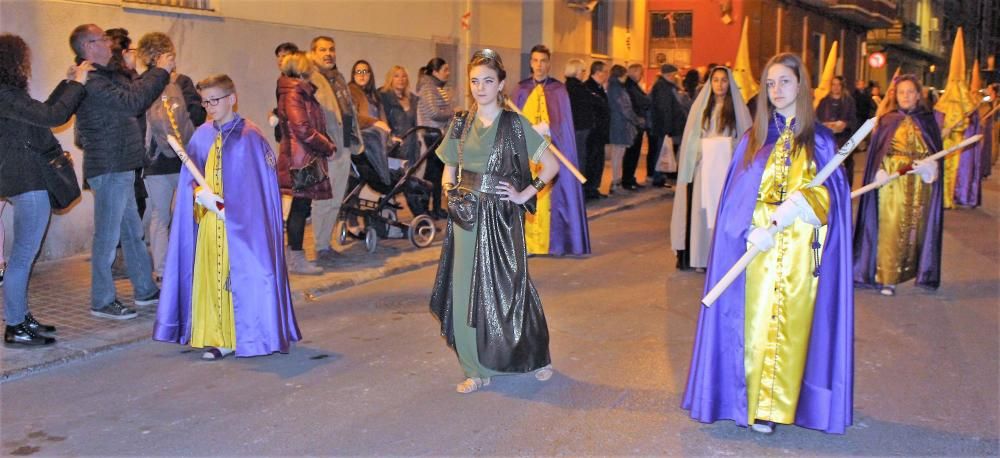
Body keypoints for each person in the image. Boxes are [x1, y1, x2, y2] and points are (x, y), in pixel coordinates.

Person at [683, 53, 854, 435]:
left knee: (792, 331)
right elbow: (735, 200)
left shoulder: (821, 140)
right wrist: (749, 227)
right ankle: (756, 405)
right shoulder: (753, 139)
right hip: (756, 249)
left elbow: (835, 200)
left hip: (799, 254)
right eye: (771, 83)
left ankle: (789, 404)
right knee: (755, 326)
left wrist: (806, 204)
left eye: (785, 82)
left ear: (801, 86)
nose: (777, 90)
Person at [429, 49, 558, 393]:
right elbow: (448, 166)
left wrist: (523, 194)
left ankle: (536, 356)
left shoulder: (515, 125)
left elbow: (551, 167)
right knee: (464, 291)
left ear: (500, 84)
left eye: (488, 80)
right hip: (465, 216)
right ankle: (475, 369)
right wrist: (448, 191)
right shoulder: (460, 122)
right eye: (475, 81)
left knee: (510, 289)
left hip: (500, 219)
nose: (480, 87)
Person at [153, 74, 301, 360]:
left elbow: (258, 194)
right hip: (210, 222)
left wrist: (227, 209)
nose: (210, 107)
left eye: (215, 100)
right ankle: (219, 337)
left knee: (242, 277)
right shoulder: (202, 135)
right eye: (205, 102)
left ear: (232, 98)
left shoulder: (251, 137)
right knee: (212, 277)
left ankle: (250, 334)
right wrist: (200, 196)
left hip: (243, 229)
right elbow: (190, 180)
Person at [70, 23, 172, 320]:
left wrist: (130, 70)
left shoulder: (105, 75)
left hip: (122, 163)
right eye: (102, 39)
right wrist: (160, 70)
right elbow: (133, 102)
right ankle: (102, 300)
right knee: (107, 234)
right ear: (88, 46)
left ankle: (144, 289)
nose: (109, 44)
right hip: (110, 165)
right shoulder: (91, 80)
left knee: (132, 231)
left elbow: (132, 91)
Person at [0, 33, 90, 346]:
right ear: (14, 62)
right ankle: (15, 327)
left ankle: (21, 318)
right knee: (23, 257)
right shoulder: (4, 94)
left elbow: (43, 114)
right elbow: (54, 115)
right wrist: (78, 83)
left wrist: (67, 84)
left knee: (25, 255)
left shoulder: (9, 95)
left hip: (23, 181)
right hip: (27, 182)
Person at [853, 75, 943, 297]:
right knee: (891, 228)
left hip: (919, 184)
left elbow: (936, 152)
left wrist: (929, 167)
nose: (905, 96)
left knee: (915, 230)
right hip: (892, 183)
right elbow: (877, 152)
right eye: (901, 92)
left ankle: (914, 271)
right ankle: (888, 278)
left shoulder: (928, 120)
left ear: (918, 95)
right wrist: (879, 171)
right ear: (895, 95)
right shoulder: (886, 120)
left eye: (910, 92)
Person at [138, 32, 206, 283]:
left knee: (160, 215)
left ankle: (163, 269)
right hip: (182, 158)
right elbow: (197, 116)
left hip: (155, 160)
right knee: (184, 212)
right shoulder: (181, 82)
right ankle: (185, 263)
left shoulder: (141, 83)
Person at [512, 44, 591, 256]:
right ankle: (526, 243)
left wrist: (549, 128)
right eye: (535, 60)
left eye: (543, 61)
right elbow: (512, 122)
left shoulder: (558, 90)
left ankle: (552, 243)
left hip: (551, 152)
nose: (539, 65)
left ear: (549, 63)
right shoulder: (521, 89)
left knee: (547, 195)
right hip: (527, 154)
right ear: (530, 62)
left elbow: (563, 124)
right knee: (526, 192)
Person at [670, 66, 751, 272]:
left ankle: (722, 258)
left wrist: (726, 146)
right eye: (716, 80)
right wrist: (707, 147)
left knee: (722, 213)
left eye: (724, 80)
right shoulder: (702, 109)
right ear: (710, 83)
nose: (720, 84)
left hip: (726, 170)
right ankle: (702, 257)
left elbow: (745, 141)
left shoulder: (737, 111)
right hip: (704, 170)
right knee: (702, 213)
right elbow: (691, 141)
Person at [278, 52, 336, 275]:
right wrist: (327, 145)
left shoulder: (296, 91)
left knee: (300, 207)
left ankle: (294, 255)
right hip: (301, 159)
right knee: (300, 208)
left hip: (301, 156)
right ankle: (296, 258)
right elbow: (302, 128)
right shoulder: (295, 92)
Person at [307, 36, 364, 267]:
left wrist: (352, 141)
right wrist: (323, 144)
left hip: (344, 145)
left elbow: (347, 110)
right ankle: (320, 247)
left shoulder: (338, 78)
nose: (328, 53)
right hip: (327, 148)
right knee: (323, 200)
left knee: (337, 199)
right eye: (322, 50)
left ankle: (326, 245)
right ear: (313, 53)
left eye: (331, 49)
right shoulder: (311, 79)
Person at [417, 57, 456, 219]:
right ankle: (426, 207)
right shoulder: (428, 87)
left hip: (439, 134)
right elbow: (433, 112)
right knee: (433, 173)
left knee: (438, 173)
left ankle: (436, 208)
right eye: (445, 70)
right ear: (435, 72)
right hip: (432, 134)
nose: (448, 73)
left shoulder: (437, 87)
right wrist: (452, 112)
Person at [816, 76, 859, 186]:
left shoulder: (849, 102)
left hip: (844, 139)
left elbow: (854, 121)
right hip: (827, 140)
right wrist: (824, 125)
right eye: (833, 84)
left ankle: (846, 189)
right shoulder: (824, 102)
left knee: (845, 167)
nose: (835, 87)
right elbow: (816, 120)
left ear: (842, 86)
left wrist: (845, 125)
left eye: (838, 84)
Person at [650, 63, 687, 187]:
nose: (675, 77)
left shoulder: (668, 86)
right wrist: (667, 128)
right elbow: (664, 108)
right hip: (664, 126)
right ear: (668, 74)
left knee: (663, 151)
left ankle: (660, 176)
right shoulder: (662, 87)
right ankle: (658, 177)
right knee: (661, 152)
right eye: (673, 74)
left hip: (667, 126)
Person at [606, 64, 641, 193]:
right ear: (621, 75)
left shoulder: (615, 87)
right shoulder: (617, 89)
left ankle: (617, 182)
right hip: (620, 125)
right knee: (617, 155)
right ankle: (616, 183)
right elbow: (624, 108)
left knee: (618, 155)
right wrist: (636, 120)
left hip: (620, 124)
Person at [379, 65, 420, 163]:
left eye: (404, 76)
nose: (401, 79)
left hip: (412, 148)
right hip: (393, 147)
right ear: (390, 79)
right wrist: (389, 138)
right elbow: (380, 121)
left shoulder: (413, 99)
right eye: (396, 76)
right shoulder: (382, 97)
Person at [582, 60, 610, 200]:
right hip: (593, 133)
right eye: (605, 72)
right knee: (591, 161)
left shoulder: (598, 88)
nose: (607, 75)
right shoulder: (588, 88)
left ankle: (594, 187)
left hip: (600, 133)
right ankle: (589, 189)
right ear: (598, 72)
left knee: (598, 161)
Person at [622, 63, 652, 191]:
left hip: (637, 124)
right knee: (631, 154)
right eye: (640, 73)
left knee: (634, 154)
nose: (642, 76)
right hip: (634, 125)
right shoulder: (629, 86)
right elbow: (640, 101)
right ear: (634, 72)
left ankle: (630, 178)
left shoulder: (633, 86)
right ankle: (627, 180)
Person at [269, 42, 299, 143]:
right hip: (284, 134)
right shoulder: (282, 79)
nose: (280, 59)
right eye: (278, 56)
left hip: (294, 136)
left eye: (284, 56)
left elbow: (293, 106)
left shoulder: (296, 80)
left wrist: (275, 113)